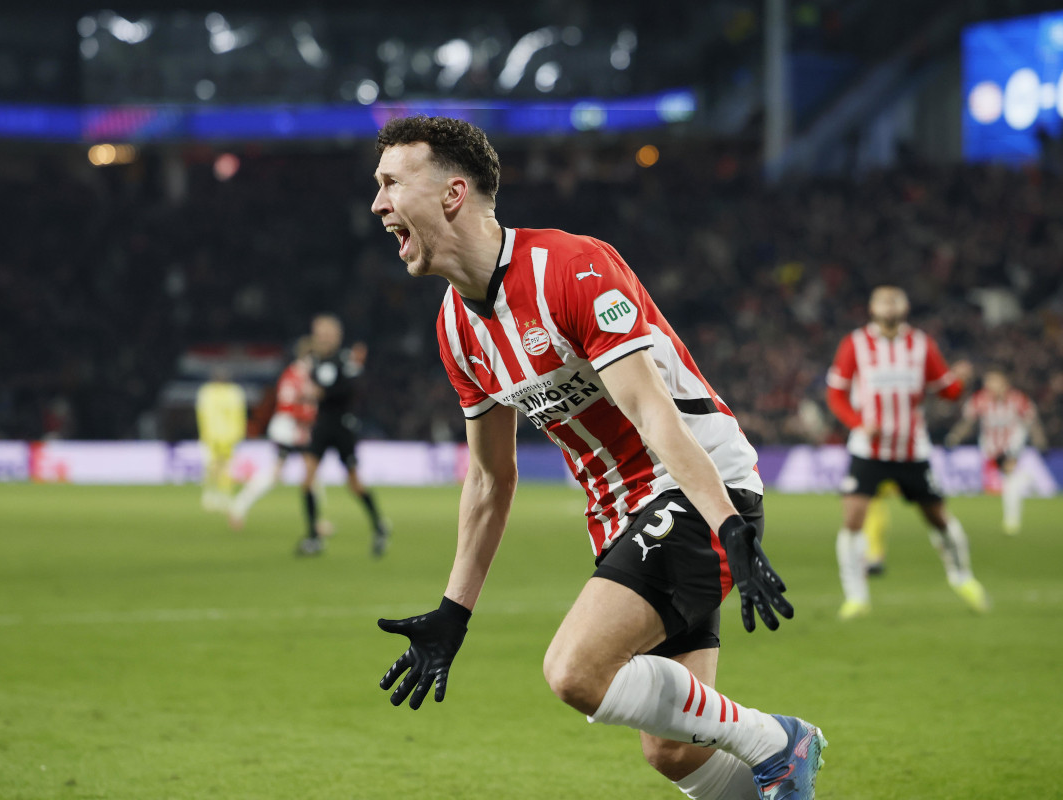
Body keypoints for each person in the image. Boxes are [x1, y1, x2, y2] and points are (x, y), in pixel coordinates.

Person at [369, 115, 824, 800]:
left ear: (452, 193)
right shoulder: (457, 329)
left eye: (390, 183)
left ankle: (780, 742)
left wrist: (729, 523)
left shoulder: (570, 267)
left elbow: (651, 413)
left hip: (694, 486)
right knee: (673, 751)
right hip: (620, 518)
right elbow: (490, 478)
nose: (378, 204)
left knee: (574, 671)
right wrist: (453, 611)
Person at [826, 286, 987, 619]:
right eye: (883, 300)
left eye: (895, 300)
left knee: (938, 517)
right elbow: (836, 394)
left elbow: (947, 391)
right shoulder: (855, 344)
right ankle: (856, 596)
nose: (889, 305)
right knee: (853, 518)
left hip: (912, 450)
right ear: (872, 307)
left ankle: (963, 577)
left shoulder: (922, 344)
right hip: (868, 450)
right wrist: (858, 423)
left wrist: (961, 380)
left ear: (906, 306)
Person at [297, 314, 390, 558]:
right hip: (321, 425)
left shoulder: (345, 361)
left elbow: (351, 390)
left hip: (342, 426)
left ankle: (379, 526)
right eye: (319, 334)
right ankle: (313, 537)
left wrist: (323, 393)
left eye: (327, 334)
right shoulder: (316, 361)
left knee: (354, 483)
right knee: (307, 479)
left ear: (337, 336)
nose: (323, 338)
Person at [229, 339, 319, 529]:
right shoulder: (296, 376)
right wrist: (309, 416)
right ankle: (238, 506)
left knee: (307, 472)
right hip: (290, 431)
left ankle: (316, 521)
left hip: (295, 430)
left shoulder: (301, 374)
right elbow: (287, 406)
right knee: (284, 473)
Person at [946, 370, 1047, 535]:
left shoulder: (1018, 399)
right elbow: (968, 421)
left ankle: (1011, 520)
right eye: (987, 383)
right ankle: (1027, 481)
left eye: (993, 382)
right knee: (1009, 481)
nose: (989, 386)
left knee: (1009, 480)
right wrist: (955, 436)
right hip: (990, 449)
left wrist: (1039, 441)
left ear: (1004, 383)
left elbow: (1031, 421)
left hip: (1011, 447)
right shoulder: (980, 399)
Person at [195, 367, 247, 513]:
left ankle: (214, 494)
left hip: (214, 435)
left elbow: (201, 414)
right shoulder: (234, 393)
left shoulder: (207, 392)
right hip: (225, 435)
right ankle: (218, 494)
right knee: (221, 465)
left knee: (215, 465)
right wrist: (240, 433)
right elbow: (239, 415)